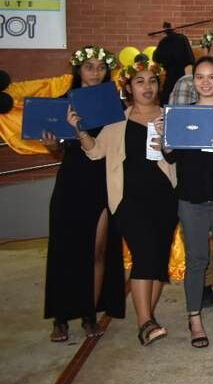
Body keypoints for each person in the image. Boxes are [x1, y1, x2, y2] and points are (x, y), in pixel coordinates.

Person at [77, 58, 177, 346]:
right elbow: (95, 153)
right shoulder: (116, 121)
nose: (147, 87)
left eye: (152, 81)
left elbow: (181, 157)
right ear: (129, 87)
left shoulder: (171, 116)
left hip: (165, 198)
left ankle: (150, 318)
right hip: (128, 201)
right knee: (145, 256)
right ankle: (145, 322)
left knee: (158, 261)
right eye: (140, 81)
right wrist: (80, 131)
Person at [159, 56, 213, 348]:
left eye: (212, 76)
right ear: (192, 81)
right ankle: (194, 318)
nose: (205, 82)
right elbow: (171, 156)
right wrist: (166, 140)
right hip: (191, 196)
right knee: (196, 260)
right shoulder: (180, 113)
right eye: (199, 77)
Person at [43, 46, 125, 342]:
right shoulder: (63, 104)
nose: (95, 72)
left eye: (100, 67)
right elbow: (55, 148)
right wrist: (51, 142)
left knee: (98, 250)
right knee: (65, 249)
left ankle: (90, 314)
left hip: (103, 180)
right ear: (78, 70)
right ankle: (60, 317)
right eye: (89, 67)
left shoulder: (114, 104)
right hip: (72, 181)